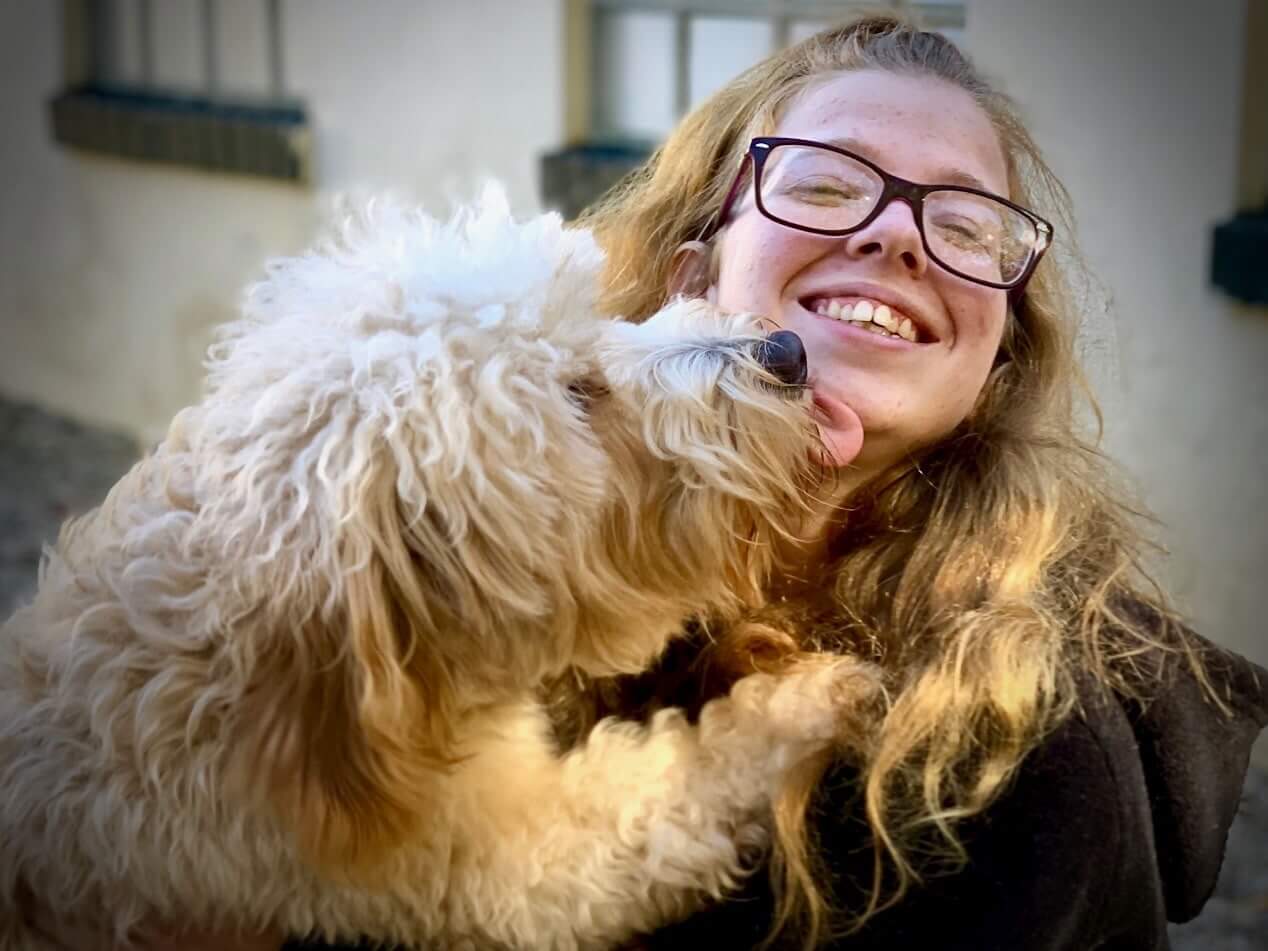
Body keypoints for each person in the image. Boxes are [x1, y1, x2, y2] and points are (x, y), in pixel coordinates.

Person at [71, 13, 1265, 951]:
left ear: (993, 356)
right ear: (695, 267)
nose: (897, 235)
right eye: (824, 181)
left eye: (965, 221)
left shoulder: (1035, 758)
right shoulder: (447, 555)